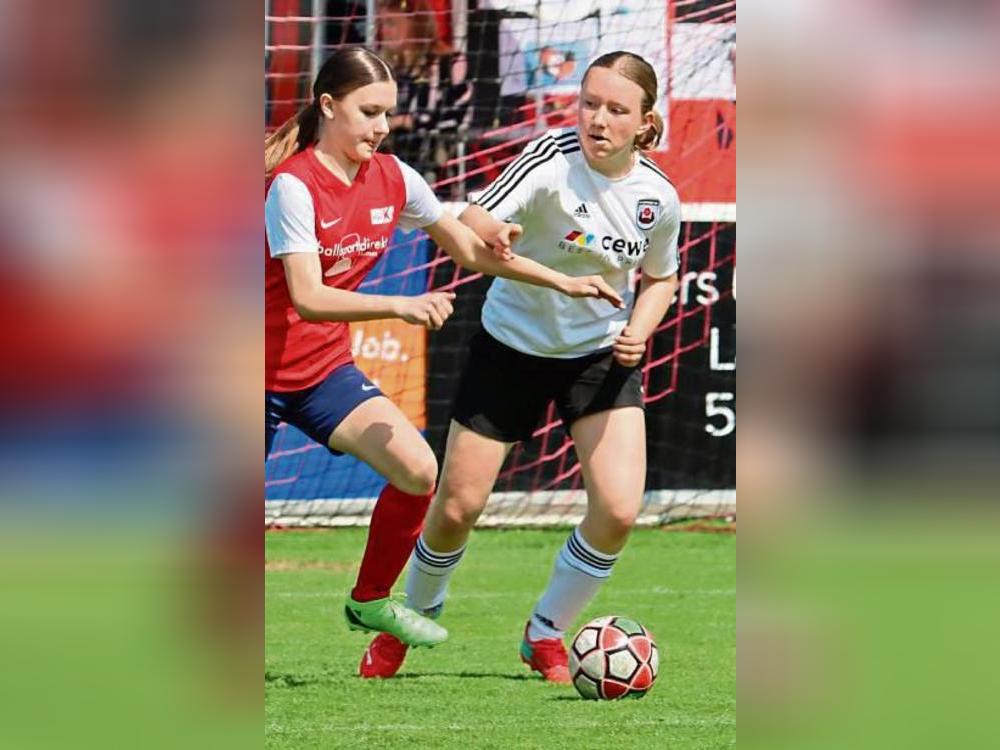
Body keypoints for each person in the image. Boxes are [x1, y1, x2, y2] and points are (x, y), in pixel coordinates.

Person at [264, 47, 621, 653]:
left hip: (321, 371)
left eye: (387, 114)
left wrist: (560, 279)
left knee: (418, 472)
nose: (380, 127)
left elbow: (473, 251)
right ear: (327, 107)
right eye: (368, 112)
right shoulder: (292, 187)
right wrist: (399, 306)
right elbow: (309, 297)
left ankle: (371, 602)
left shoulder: (396, 177)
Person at [359, 51, 681, 681]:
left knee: (618, 510)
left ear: (645, 123)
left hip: (597, 358)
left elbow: (662, 278)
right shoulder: (547, 160)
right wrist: (493, 233)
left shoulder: (658, 197)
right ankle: (412, 622)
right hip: (510, 348)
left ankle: (547, 634)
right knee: (455, 508)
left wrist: (638, 332)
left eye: (617, 110)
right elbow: (473, 221)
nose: (597, 119)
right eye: (590, 102)